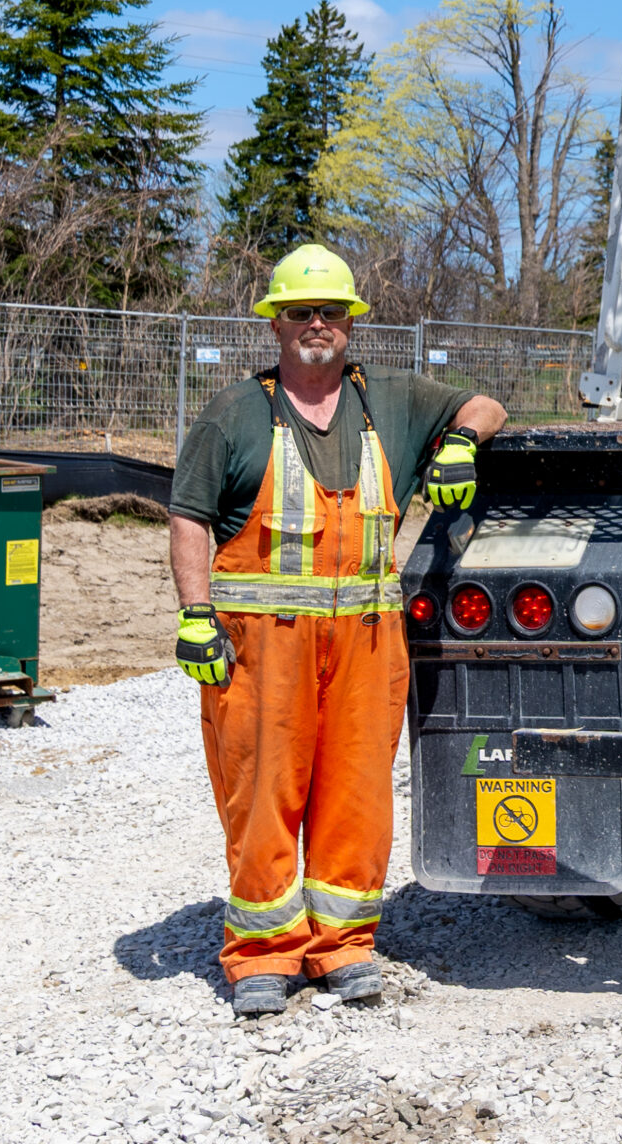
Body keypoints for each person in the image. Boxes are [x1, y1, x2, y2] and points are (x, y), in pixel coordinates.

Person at [167, 243, 507, 1017]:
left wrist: (459, 442)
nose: (315, 324)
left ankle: (345, 946)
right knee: (261, 794)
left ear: (350, 322)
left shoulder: (389, 398)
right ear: (276, 324)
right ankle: (262, 954)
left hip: (365, 642)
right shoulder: (235, 413)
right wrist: (194, 614)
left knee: (355, 796)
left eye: (330, 311)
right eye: (299, 313)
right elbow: (188, 518)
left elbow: (487, 406)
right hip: (261, 647)